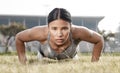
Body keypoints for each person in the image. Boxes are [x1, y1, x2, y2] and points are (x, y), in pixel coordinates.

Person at [15, 8, 104, 64]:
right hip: (43, 59)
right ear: (48, 27)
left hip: (71, 59)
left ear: (70, 26)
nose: (59, 34)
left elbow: (99, 39)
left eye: (64, 28)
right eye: (54, 29)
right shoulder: (41, 32)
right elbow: (19, 38)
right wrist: (23, 63)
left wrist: (94, 63)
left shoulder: (78, 32)